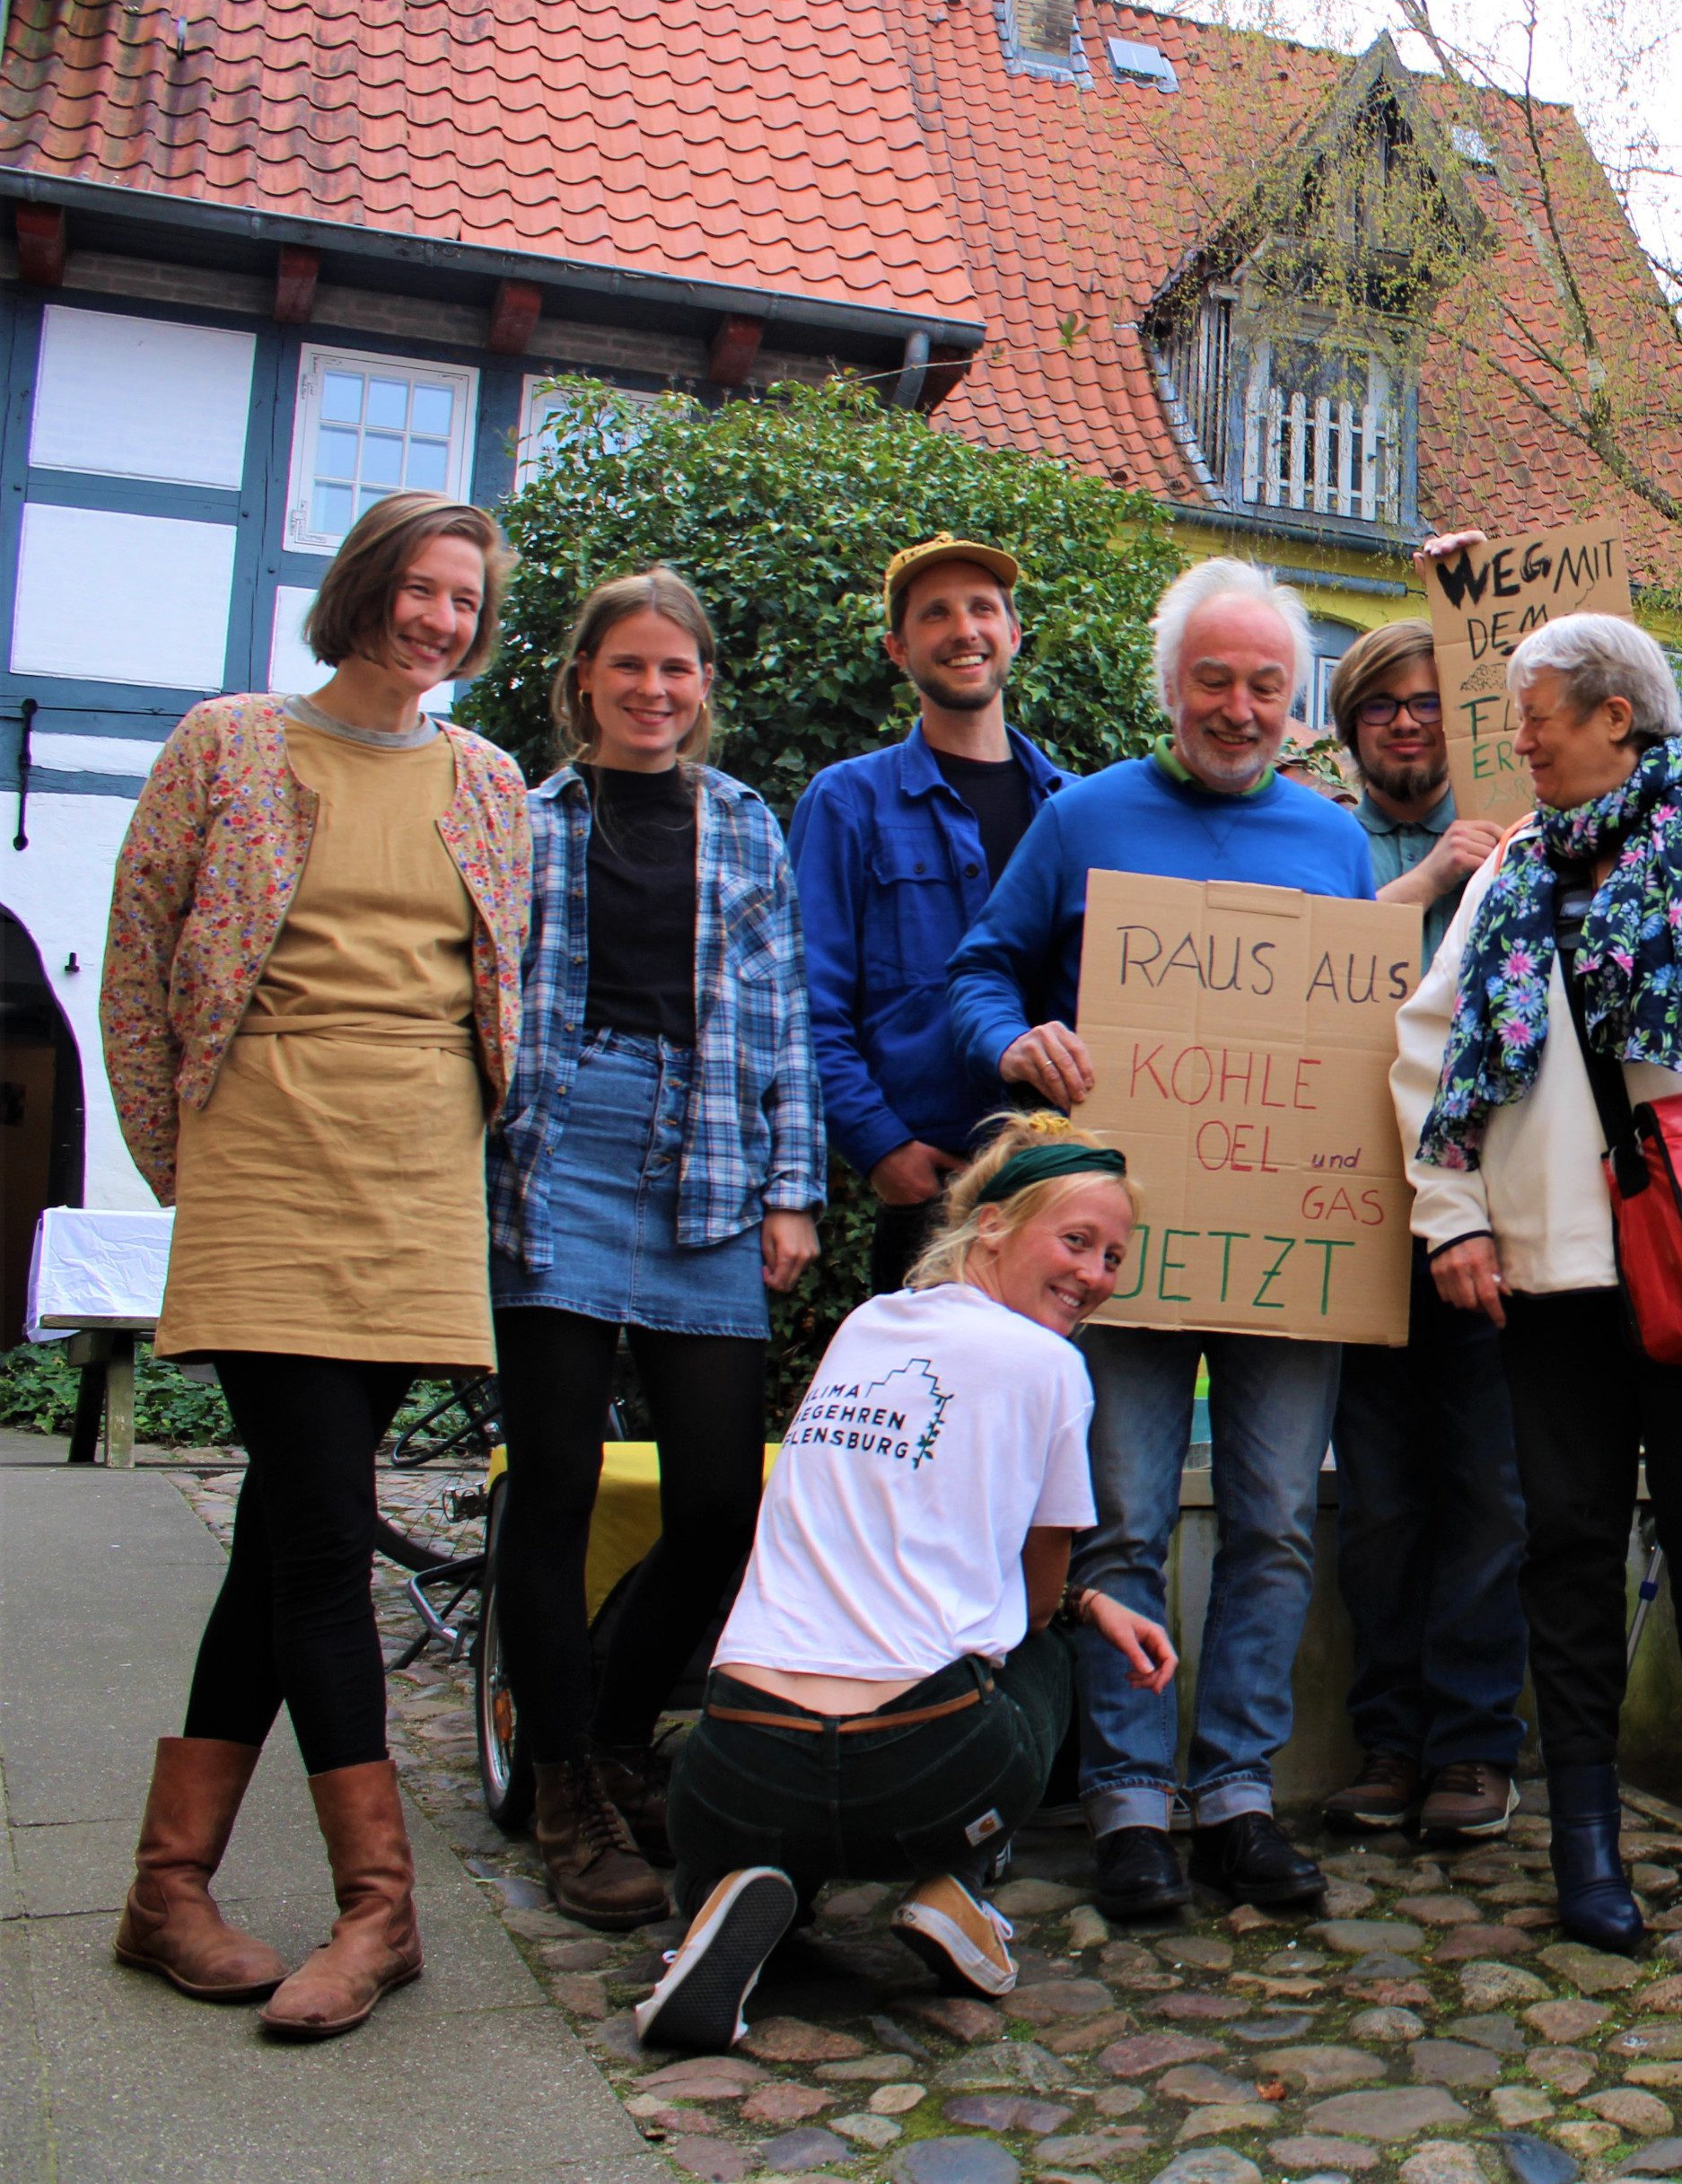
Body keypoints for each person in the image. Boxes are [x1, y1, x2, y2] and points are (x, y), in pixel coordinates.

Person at [99, 491, 529, 2039]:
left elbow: (497, 995)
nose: (438, 620)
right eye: (418, 588)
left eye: (464, 600)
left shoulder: (488, 783)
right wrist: (187, 1166)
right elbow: (139, 959)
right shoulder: (227, 742)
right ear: (361, 590)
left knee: (286, 1526)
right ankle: (380, 1909)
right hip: (266, 1151)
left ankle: (170, 1888)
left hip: (417, 1180)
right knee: (324, 1541)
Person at [1390, 611, 1682, 1952]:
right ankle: (1585, 1836)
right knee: (1571, 1541)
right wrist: (1451, 1216)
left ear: (1617, 715)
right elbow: (1434, 1050)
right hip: (1549, 1268)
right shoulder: (1514, 864)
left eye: (1539, 712)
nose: (1518, 736)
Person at [944, 558, 1375, 1920]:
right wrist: (1012, 1038)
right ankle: (1130, 1800)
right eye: (1215, 681)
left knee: (1277, 1515)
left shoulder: (1334, 840)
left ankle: (1237, 1791)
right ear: (1168, 688)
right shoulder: (1082, 816)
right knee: (1117, 1515)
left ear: (1296, 702)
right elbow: (977, 970)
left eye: (1266, 685)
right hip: (1114, 1247)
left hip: (1290, 1244)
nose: (1240, 708)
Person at [636, 1114, 1179, 2049]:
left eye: (1114, 1258)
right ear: (997, 1225)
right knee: (1042, 1650)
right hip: (924, 1769)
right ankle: (953, 1884)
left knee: (763, 1816)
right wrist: (1089, 1607)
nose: (1094, 1276)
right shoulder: (1052, 1365)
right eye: (1077, 1242)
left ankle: (734, 1887)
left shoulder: (866, 1324)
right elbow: (1038, 1603)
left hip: (736, 1762)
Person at [488, 569, 821, 1927]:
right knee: (556, 1483)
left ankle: (617, 1726)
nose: (652, 691)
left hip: (711, 1162)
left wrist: (793, 1190)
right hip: (560, 1146)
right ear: (584, 681)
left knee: (718, 1505)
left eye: (675, 669)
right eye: (626, 667)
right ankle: (565, 1786)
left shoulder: (746, 823)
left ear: (702, 685)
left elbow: (786, 1016)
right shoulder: (523, 818)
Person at [1315, 611, 1525, 1843]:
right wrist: (1433, 876)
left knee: (1491, 1488)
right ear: (1350, 730)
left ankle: (1475, 1745)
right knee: (1383, 1495)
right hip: (1354, 1215)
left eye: (1428, 697)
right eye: (1382, 703)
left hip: (1500, 1211)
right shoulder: (1322, 845)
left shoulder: (1529, 839)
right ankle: (1390, 1738)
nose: (1407, 718)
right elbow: (1305, 973)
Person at [791, 535, 1075, 1294]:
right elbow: (810, 1001)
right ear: (898, 647)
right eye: (935, 614)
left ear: (1014, 633)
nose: (964, 630)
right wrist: (882, 1148)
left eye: (984, 609)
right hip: (930, 1192)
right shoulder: (848, 801)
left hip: (1065, 1188)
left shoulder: (1078, 809)